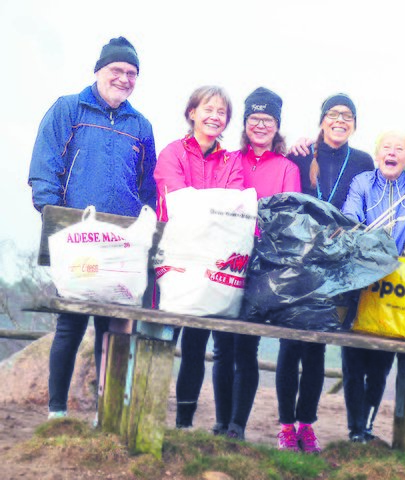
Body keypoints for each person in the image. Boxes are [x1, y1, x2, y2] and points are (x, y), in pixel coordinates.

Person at [28, 36, 157, 419]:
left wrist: (143, 227)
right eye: (117, 70)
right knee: (70, 323)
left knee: (111, 326)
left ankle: (105, 413)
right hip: (75, 236)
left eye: (132, 73)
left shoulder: (141, 125)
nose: (124, 78)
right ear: (99, 70)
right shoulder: (68, 109)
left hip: (120, 240)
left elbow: (147, 185)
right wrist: (55, 215)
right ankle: (57, 412)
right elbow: (45, 165)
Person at [278, 93, 374, 452]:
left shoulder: (363, 161)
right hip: (298, 264)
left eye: (347, 115)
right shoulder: (302, 155)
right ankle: (287, 427)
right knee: (290, 345)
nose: (340, 120)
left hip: (335, 268)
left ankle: (307, 426)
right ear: (321, 119)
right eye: (333, 114)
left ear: (354, 124)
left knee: (316, 349)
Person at [210, 87, 301, 440]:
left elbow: (288, 217)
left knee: (245, 347)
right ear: (245, 123)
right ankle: (219, 423)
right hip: (225, 262)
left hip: (263, 266)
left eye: (267, 120)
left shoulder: (287, 168)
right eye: (253, 118)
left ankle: (237, 426)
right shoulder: (229, 159)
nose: (260, 125)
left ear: (277, 126)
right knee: (222, 347)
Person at [153, 85, 244, 431]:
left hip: (210, 264)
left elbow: (233, 205)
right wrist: (209, 211)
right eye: (208, 109)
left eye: (221, 112)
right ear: (192, 112)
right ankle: (148, 414)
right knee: (163, 339)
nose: (214, 116)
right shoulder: (173, 152)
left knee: (195, 345)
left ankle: (183, 424)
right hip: (173, 260)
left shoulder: (231, 160)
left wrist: (208, 212)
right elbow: (174, 198)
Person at [341, 131, 405, 443]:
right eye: (387, 147)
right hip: (358, 277)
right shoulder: (361, 183)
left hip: (393, 285)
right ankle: (355, 429)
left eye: (400, 149)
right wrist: (368, 245)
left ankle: (367, 426)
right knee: (353, 359)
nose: (392, 152)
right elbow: (349, 218)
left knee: (381, 363)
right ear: (377, 154)